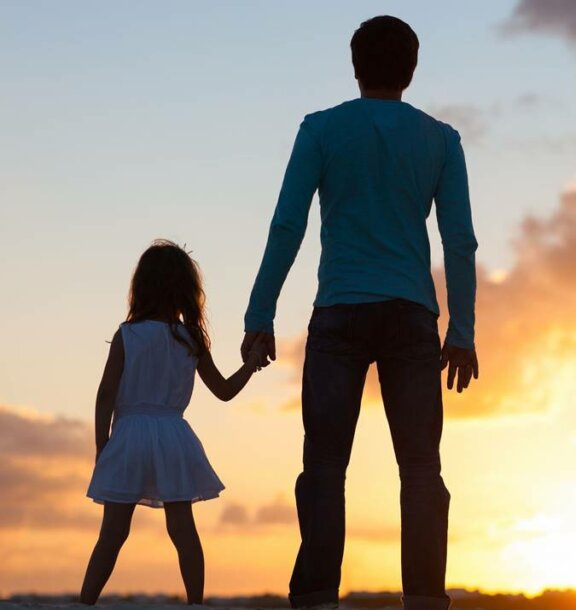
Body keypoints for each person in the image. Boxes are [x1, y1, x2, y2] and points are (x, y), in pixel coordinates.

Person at [241, 14, 479, 610]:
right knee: (421, 470)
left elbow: (287, 225)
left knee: (323, 468)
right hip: (411, 316)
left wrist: (259, 314)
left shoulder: (321, 129)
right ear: (412, 69)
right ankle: (425, 601)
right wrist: (464, 329)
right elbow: (459, 243)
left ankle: (318, 599)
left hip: (340, 313)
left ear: (355, 66)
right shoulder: (440, 139)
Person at [80, 240, 268, 605]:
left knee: (112, 534)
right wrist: (252, 363)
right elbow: (225, 391)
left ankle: (85, 602)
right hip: (173, 438)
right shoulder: (190, 339)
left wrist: (103, 447)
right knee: (183, 531)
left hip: (130, 436)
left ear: (143, 286)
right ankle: (195, 602)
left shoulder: (127, 334)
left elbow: (105, 395)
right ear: (186, 290)